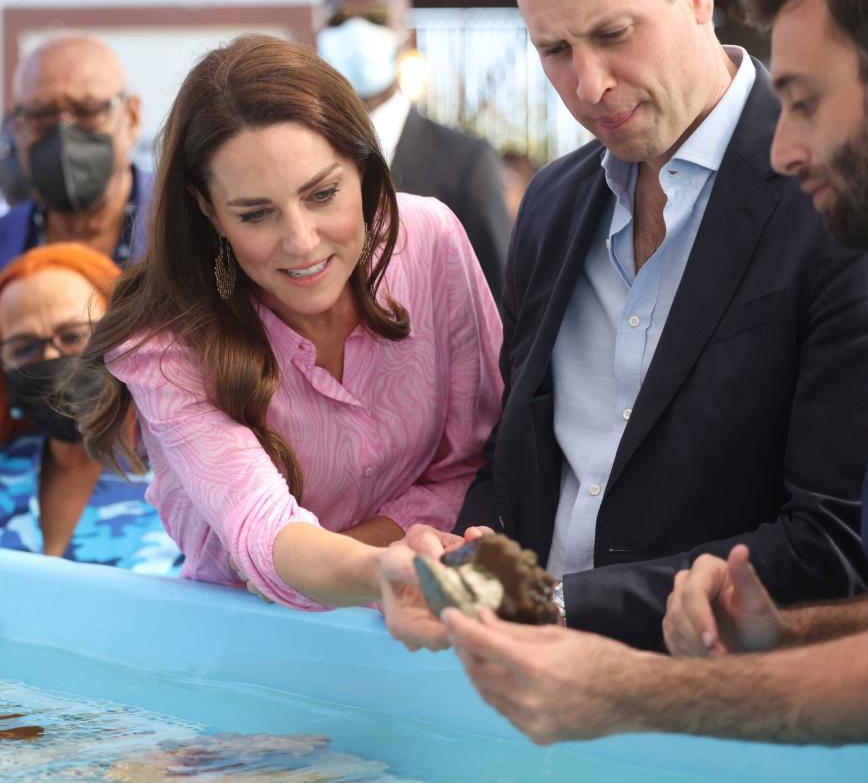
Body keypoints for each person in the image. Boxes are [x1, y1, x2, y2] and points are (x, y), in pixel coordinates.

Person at [441, 0, 868, 745]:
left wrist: (626, 677)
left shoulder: (852, 217)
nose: (589, 83)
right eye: (554, 51)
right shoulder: (552, 203)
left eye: (805, 100)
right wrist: (475, 567)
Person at [74, 34, 502, 610]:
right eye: (256, 214)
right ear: (209, 212)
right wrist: (387, 561)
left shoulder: (431, 241)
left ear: (364, 167)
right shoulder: (165, 342)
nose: (301, 243)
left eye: (323, 194)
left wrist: (366, 560)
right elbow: (259, 532)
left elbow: (478, 460)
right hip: (247, 642)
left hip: (421, 617)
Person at [317, 0, 511, 300]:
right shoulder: (298, 155)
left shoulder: (466, 162)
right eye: (339, 21)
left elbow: (496, 297)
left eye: (376, 18)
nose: (356, 32)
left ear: (407, 35)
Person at [0, 243, 181, 574]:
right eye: (24, 348)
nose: (51, 359)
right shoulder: (6, 471)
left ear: (123, 334)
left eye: (72, 336)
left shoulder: (190, 470)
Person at [0, 36, 151, 270]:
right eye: (41, 114)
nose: (63, 133)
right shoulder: (5, 246)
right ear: (17, 126)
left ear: (131, 117)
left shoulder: (189, 229)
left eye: (87, 110)